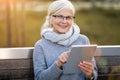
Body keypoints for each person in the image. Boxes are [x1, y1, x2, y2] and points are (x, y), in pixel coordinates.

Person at [33, 0, 98, 80]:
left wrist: (90, 74)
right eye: (59, 16)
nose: (64, 21)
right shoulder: (41, 45)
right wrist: (58, 64)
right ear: (51, 18)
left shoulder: (83, 40)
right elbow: (39, 78)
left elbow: (94, 74)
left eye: (68, 17)